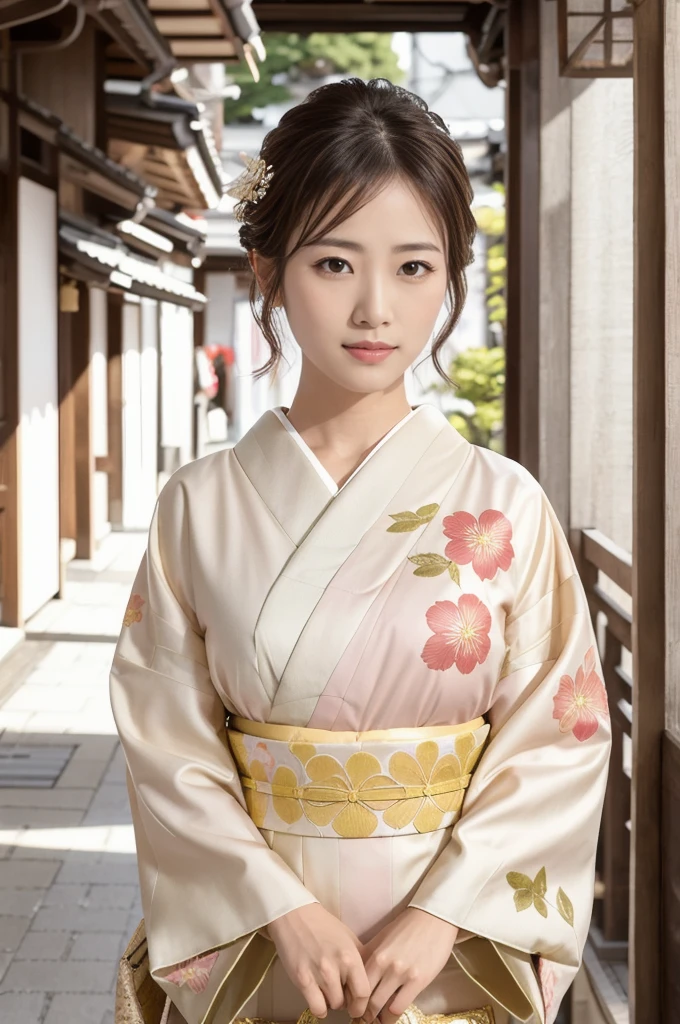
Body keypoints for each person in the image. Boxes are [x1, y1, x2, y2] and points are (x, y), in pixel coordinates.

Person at [109, 78, 611, 1024]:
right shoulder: (199, 505)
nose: (376, 308)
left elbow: (563, 739)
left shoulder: (504, 504)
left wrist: (443, 913)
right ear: (268, 270)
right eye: (335, 264)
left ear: (453, 275)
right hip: (265, 952)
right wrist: (281, 908)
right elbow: (162, 741)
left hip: (447, 959)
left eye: (415, 268)